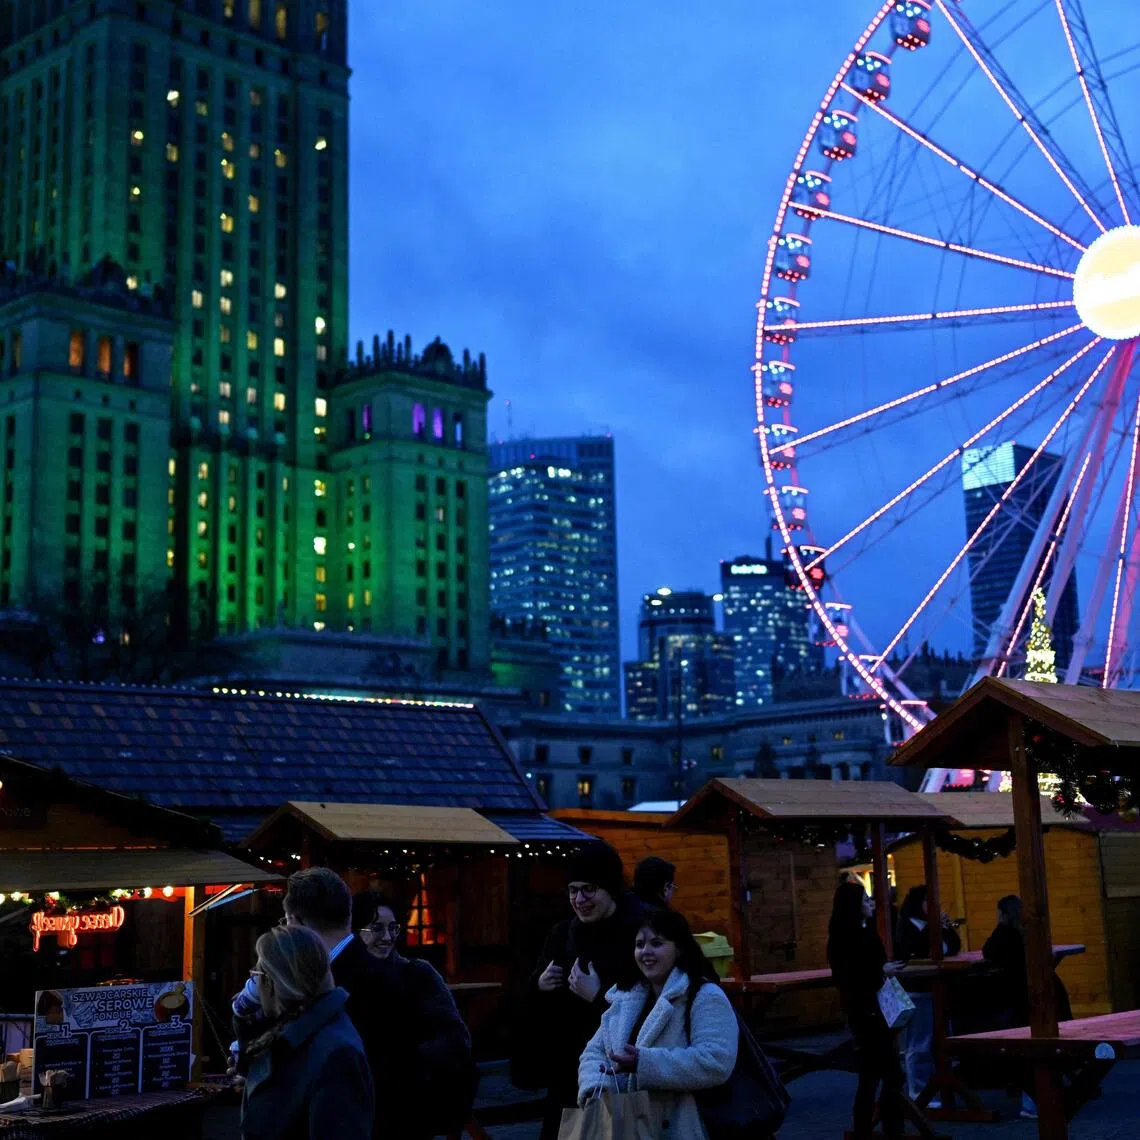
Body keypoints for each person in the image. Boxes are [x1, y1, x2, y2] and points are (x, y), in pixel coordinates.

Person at [232, 869, 389, 1138]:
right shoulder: (374, 973)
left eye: (285, 921)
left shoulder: (332, 987)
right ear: (348, 915)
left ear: (294, 920)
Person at [521, 842, 644, 1140]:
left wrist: (598, 996)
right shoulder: (563, 933)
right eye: (573, 890)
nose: (579, 899)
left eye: (589, 889)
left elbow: (650, 1007)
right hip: (567, 1072)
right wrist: (539, 984)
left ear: (610, 888)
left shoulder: (639, 934)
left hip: (614, 1073)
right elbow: (530, 996)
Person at [578, 907, 737, 1138]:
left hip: (679, 1124)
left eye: (657, 943)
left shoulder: (704, 995)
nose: (646, 952)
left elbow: (716, 1061)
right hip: (623, 1123)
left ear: (679, 948)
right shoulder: (624, 997)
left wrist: (645, 1063)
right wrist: (594, 1086)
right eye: (640, 944)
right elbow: (594, 1051)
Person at [350, 890, 475, 1140]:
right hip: (356, 1104)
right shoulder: (342, 979)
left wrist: (407, 1058)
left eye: (393, 928)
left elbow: (456, 1038)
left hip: (409, 1105)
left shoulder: (418, 975)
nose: (387, 937)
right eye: (376, 928)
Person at [238, 924, 373, 1140]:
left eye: (257, 974)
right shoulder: (296, 1037)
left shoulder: (336, 1055)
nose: (255, 984)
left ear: (273, 981)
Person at [982, 895, 1072, 1121]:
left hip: (1023, 999)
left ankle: (1034, 1102)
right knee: (1044, 1047)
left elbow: (988, 952)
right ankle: (1051, 1096)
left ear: (1002, 914)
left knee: (1027, 1050)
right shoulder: (1032, 932)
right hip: (1049, 993)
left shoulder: (1005, 936)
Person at [828, 880, 904, 1140]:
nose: (870, 904)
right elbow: (857, 974)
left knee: (872, 1076)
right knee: (888, 1075)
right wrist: (881, 971)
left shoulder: (845, 936)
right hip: (870, 1012)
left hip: (862, 1012)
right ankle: (888, 1128)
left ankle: (868, 1129)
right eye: (865, 900)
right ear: (855, 906)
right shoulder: (856, 938)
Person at [893, 884, 961, 1105]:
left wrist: (943, 931)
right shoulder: (907, 926)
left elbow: (953, 944)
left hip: (939, 987)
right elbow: (918, 950)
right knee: (920, 1042)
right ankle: (919, 1090)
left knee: (942, 1038)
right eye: (929, 901)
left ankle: (941, 1087)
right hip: (918, 988)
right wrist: (937, 934)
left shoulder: (933, 925)